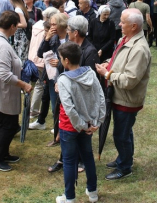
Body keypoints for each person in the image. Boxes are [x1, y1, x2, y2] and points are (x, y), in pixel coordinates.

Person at [96, 9, 151, 181]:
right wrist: (109, 63)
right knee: (124, 133)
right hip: (118, 96)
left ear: (134, 26)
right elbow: (120, 61)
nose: (119, 24)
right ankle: (124, 158)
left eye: (122, 22)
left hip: (126, 100)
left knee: (121, 135)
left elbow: (130, 80)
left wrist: (107, 74)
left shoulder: (139, 49)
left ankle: (125, 167)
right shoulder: (125, 39)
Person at [55, 42, 105, 203]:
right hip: (88, 124)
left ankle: (69, 197)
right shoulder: (90, 73)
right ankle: (93, 192)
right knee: (87, 156)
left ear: (66, 60)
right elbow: (101, 97)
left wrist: (84, 125)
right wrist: (96, 122)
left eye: (61, 58)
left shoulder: (64, 80)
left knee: (69, 161)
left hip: (70, 127)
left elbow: (69, 109)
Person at [0, 11, 33, 172]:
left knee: (6, 123)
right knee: (9, 126)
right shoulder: (3, 45)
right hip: (4, 91)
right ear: (12, 26)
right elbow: (4, 74)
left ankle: (3, 153)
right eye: (16, 26)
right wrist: (23, 84)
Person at [8, 0, 29, 65]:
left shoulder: (18, 9)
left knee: (21, 57)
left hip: (20, 36)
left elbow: (24, 24)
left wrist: (12, 24)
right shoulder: (21, 7)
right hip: (21, 36)